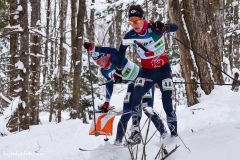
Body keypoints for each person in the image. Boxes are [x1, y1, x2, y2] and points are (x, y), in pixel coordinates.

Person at [113, 5, 178, 145]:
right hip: (147, 71)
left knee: (167, 105)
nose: (134, 24)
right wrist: (118, 70)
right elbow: (121, 50)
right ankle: (135, 131)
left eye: (137, 21)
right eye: (131, 21)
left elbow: (175, 28)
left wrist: (165, 27)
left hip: (164, 71)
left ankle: (174, 136)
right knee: (136, 95)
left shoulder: (154, 28)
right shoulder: (130, 35)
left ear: (143, 19)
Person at [84, 42, 167, 145]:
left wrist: (94, 48)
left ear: (106, 55)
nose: (99, 64)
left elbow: (114, 50)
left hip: (145, 81)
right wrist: (107, 102)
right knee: (126, 112)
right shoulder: (104, 71)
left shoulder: (115, 58)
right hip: (132, 85)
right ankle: (118, 142)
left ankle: (165, 134)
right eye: (96, 62)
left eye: (101, 61)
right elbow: (109, 84)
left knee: (146, 109)